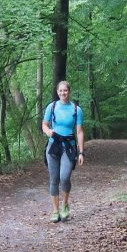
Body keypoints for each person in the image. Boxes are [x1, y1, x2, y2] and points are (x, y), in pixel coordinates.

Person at [41, 80, 85, 222]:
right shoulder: (51, 107)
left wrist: (81, 152)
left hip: (68, 146)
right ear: (57, 92)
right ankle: (55, 211)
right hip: (53, 146)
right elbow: (44, 124)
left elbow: (79, 132)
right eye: (60, 91)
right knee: (54, 179)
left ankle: (65, 205)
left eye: (65, 90)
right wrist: (48, 131)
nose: (62, 93)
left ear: (69, 91)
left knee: (64, 177)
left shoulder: (76, 110)